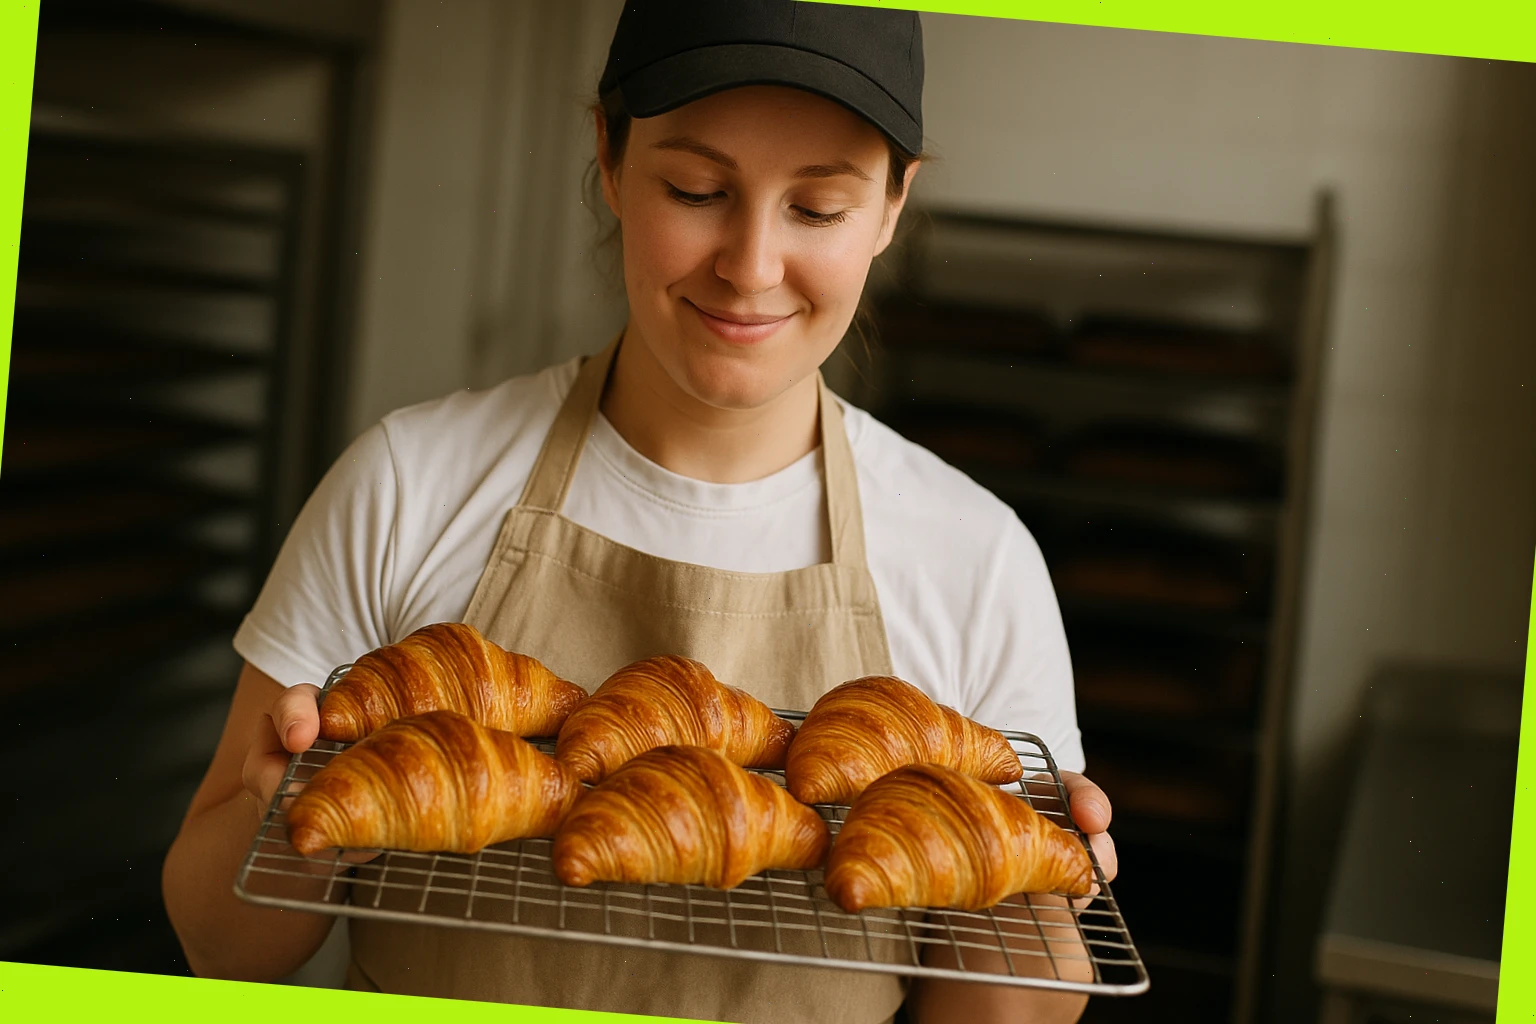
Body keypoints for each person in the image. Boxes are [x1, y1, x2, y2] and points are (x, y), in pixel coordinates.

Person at [162, 2, 1118, 1022]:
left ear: (892, 207)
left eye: (820, 208)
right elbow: (223, 949)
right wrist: (289, 806)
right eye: (696, 189)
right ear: (610, 160)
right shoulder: (407, 484)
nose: (750, 266)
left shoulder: (976, 558)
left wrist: (1027, 895)